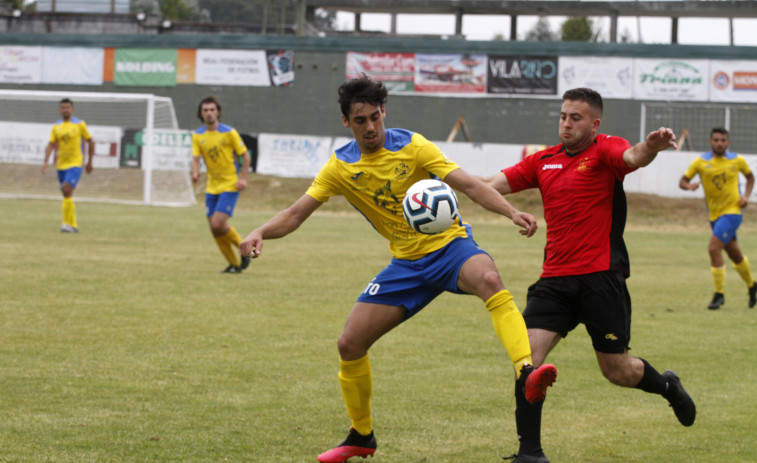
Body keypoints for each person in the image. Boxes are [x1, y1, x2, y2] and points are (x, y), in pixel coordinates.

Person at [239, 76, 557, 463]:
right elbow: (294, 214)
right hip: (406, 264)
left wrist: (511, 211)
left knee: (490, 279)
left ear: (384, 112)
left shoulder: (413, 146)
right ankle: (361, 435)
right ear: (346, 122)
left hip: (451, 248)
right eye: (361, 120)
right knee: (349, 343)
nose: (371, 127)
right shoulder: (340, 166)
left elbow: (470, 186)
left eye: (375, 117)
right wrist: (259, 231)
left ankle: (526, 373)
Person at [483, 88, 696, 463]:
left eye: (575, 118)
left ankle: (667, 386)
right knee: (526, 361)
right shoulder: (543, 160)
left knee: (617, 370)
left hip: (601, 280)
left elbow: (633, 157)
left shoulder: (606, 149)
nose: (566, 123)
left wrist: (651, 146)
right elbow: (487, 184)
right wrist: (440, 179)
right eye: (563, 116)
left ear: (594, 123)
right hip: (554, 281)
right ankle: (529, 453)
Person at [679, 127, 756, 310]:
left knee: (714, 249)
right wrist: (690, 187)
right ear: (710, 142)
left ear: (728, 143)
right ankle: (753, 286)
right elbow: (682, 181)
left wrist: (745, 196)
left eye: (723, 140)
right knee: (734, 254)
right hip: (714, 215)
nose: (720, 143)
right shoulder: (700, 162)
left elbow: (750, 177)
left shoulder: (737, 160)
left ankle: (718, 295)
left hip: (733, 211)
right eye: (716, 140)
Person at [191, 95, 252, 274]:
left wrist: (243, 178)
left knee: (218, 223)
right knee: (214, 229)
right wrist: (195, 172)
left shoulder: (229, 132)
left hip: (230, 183)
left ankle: (244, 249)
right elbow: (195, 158)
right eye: (205, 110)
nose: (209, 113)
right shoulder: (197, 135)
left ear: (218, 112)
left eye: (212, 110)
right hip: (212, 186)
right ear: (201, 114)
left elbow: (245, 155)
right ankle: (234, 264)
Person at [42, 98, 95, 233]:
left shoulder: (80, 124)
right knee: (66, 194)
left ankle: (66, 224)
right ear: (60, 109)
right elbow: (51, 144)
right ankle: (72, 224)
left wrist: (89, 161)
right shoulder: (56, 126)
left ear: (72, 109)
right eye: (63, 107)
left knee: (66, 189)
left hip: (75, 163)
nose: (65, 110)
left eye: (68, 107)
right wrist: (45, 162)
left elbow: (90, 141)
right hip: (61, 165)